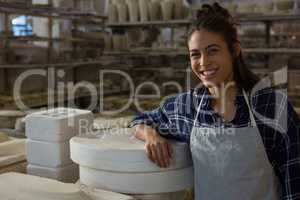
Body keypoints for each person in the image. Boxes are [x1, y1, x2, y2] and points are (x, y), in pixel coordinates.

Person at [129, 3, 300, 200]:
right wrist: (151, 135)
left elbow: (294, 182)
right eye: (195, 54)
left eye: (212, 51)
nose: (203, 62)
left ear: (235, 50)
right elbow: (139, 120)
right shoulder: (187, 107)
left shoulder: (270, 105)